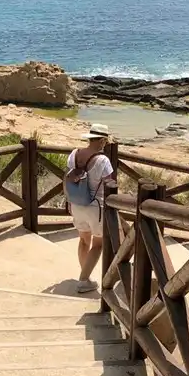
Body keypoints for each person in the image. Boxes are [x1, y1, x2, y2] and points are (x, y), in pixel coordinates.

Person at [64, 124, 115, 293]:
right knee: (98, 244)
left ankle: (85, 276)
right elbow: (110, 184)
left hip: (76, 203)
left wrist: (68, 200)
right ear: (102, 141)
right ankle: (83, 280)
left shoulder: (74, 154)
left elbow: (67, 177)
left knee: (84, 241)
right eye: (105, 141)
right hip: (95, 206)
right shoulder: (103, 160)